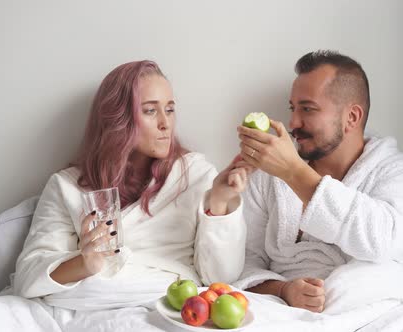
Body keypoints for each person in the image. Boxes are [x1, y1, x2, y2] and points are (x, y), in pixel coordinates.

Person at [13, 60, 251, 307]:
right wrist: (83, 264)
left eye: (169, 109)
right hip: (85, 304)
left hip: (165, 302)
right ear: (117, 118)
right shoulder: (67, 186)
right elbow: (27, 278)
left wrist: (220, 202)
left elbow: (222, 278)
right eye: (150, 111)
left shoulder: (195, 174)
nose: (165, 123)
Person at [233, 50, 403, 313]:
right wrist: (284, 290)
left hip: (371, 308)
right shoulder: (270, 178)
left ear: (352, 117)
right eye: (293, 109)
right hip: (281, 310)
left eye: (307, 109)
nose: (293, 122)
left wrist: (293, 172)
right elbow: (245, 262)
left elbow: (381, 242)